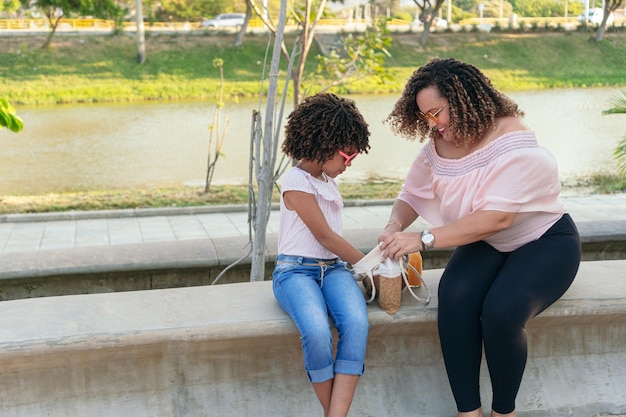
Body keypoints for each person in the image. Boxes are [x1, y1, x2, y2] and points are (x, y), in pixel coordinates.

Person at [379, 58, 581, 417]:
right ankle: (467, 412)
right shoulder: (437, 148)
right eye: (425, 116)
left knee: (501, 312)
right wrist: (395, 226)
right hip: (488, 244)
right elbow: (410, 196)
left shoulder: (511, 139)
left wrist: (422, 239)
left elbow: (497, 219)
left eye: (437, 112)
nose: (433, 124)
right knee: (454, 299)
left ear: (463, 98)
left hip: (545, 240)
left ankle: (504, 412)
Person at [272, 92, 371, 417]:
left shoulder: (327, 180)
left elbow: (331, 246)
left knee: (356, 323)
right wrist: (371, 264)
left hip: (334, 270)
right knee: (315, 331)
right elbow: (325, 236)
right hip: (295, 273)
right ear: (324, 145)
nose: (348, 164)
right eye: (347, 156)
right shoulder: (294, 180)